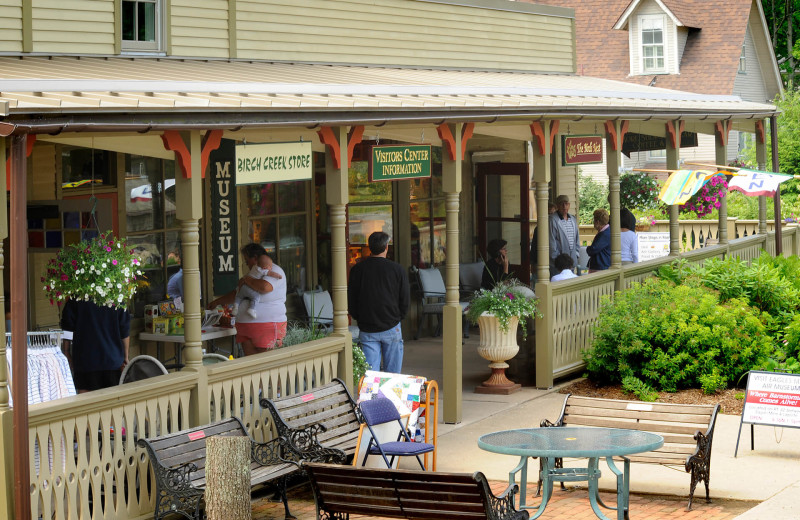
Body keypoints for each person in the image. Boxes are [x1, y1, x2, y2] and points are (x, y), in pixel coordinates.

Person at [208, 243, 287, 355]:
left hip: (267, 325)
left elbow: (265, 287)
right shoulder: (252, 274)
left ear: (255, 258)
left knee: (266, 365)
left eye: (247, 260)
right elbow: (236, 293)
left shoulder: (274, 270)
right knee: (251, 366)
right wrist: (217, 302)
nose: (246, 263)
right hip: (245, 327)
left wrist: (246, 280)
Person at [348, 232, 409, 373]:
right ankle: (390, 396)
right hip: (392, 325)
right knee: (393, 376)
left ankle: (374, 396)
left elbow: (352, 298)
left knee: (370, 377)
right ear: (386, 247)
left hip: (367, 327)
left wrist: (359, 317)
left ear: (369, 247)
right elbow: (405, 298)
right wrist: (399, 316)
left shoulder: (357, 270)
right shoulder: (397, 269)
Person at [60, 299, 130, 392]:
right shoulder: (117, 298)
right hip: (112, 360)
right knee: (112, 402)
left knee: (87, 403)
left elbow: (68, 329)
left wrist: (66, 352)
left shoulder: (76, 299)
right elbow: (124, 332)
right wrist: (125, 356)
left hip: (85, 360)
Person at [549, 194, 580, 278]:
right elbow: (551, 243)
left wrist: (576, 254)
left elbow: (577, 239)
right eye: (561, 204)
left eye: (566, 203)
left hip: (571, 262)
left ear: (569, 205)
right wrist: (558, 261)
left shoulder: (573, 219)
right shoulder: (553, 220)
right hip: (558, 265)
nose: (564, 206)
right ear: (557, 206)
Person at [530, 202, 557, 282]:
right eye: (548, 214)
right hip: (540, 262)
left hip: (554, 263)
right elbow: (534, 247)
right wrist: (532, 264)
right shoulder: (538, 229)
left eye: (552, 214)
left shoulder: (558, 229)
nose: (550, 216)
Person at [587, 208, 611, 272]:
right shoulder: (607, 231)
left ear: (597, 222)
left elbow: (593, 249)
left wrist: (588, 248)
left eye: (594, 220)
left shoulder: (604, 234)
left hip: (600, 267)